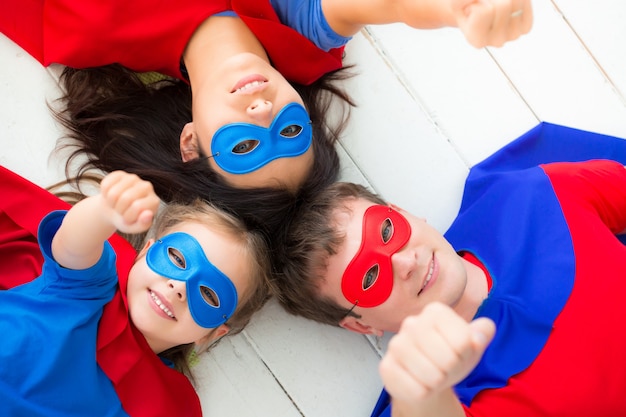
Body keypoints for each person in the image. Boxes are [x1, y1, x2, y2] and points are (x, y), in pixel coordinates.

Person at [0, 0, 533, 240]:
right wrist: (455, 10)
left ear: (191, 141)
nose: (262, 113)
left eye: (244, 146)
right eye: (290, 130)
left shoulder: (85, 29)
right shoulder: (299, 30)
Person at [274, 122, 626, 416]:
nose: (404, 261)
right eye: (369, 277)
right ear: (361, 324)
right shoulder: (425, 398)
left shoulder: (529, 195)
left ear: (405, 213)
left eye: (386, 230)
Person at [0, 167, 271, 417]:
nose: (179, 287)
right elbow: (73, 243)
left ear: (212, 333)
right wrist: (105, 211)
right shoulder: (91, 286)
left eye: (209, 295)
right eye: (177, 258)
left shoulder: (171, 406)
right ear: (145, 251)